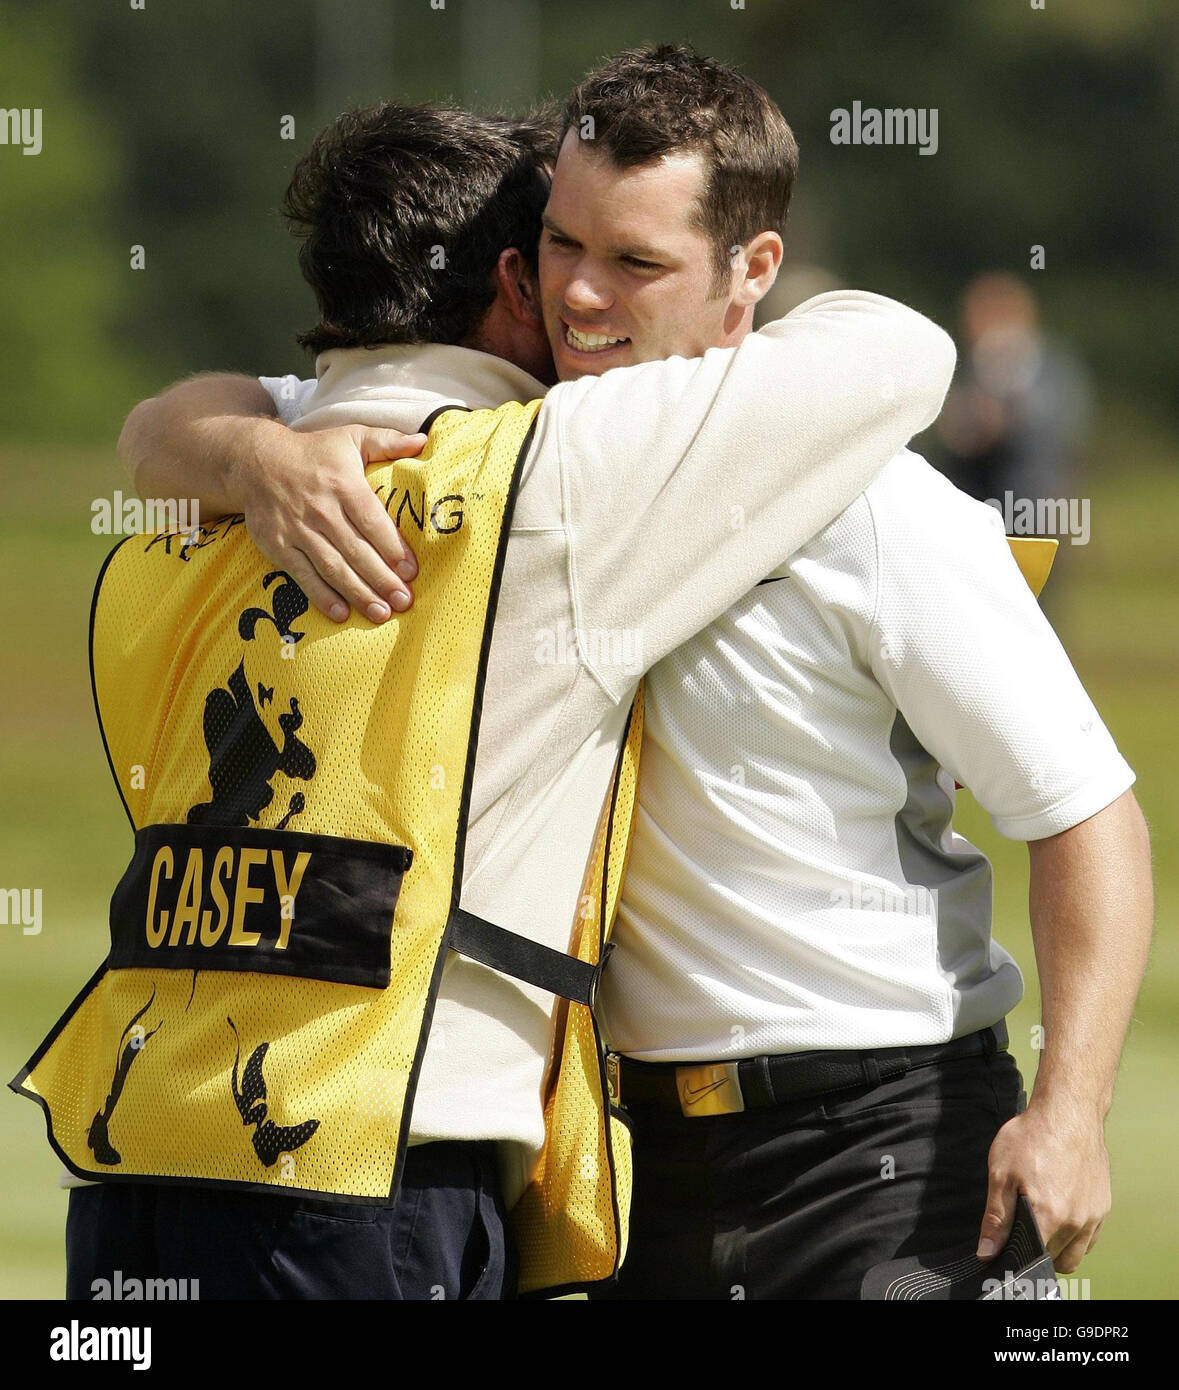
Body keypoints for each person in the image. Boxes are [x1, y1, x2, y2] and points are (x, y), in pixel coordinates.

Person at [31, 56, 957, 1300]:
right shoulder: (560, 475)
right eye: (561, 250)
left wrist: (244, 447)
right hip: (362, 1158)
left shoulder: (197, 510)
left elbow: (157, 424)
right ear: (514, 282)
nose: (586, 293)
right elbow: (900, 351)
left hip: (135, 1151)